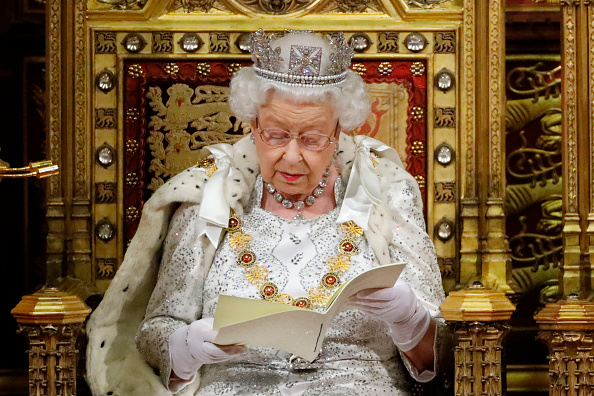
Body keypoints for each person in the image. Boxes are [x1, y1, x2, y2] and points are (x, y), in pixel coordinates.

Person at [86, 30, 446, 396]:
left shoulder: (386, 194)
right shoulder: (208, 200)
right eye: (275, 135)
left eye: (312, 138)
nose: (291, 156)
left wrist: (411, 318)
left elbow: (446, 354)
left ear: (338, 132)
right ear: (252, 125)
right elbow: (153, 332)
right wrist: (185, 347)